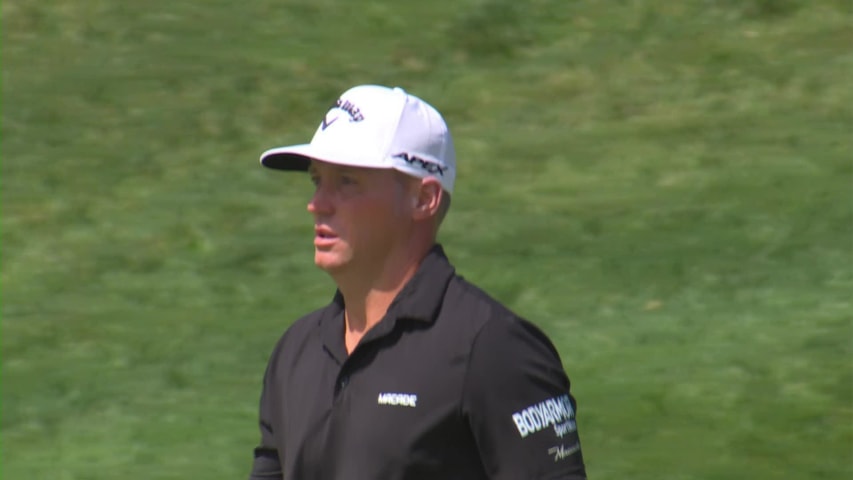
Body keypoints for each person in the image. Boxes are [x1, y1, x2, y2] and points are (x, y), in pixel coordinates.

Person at [250, 84, 587, 479]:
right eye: (316, 180)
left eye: (346, 181)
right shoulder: (295, 352)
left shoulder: (493, 349)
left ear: (422, 199)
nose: (317, 203)